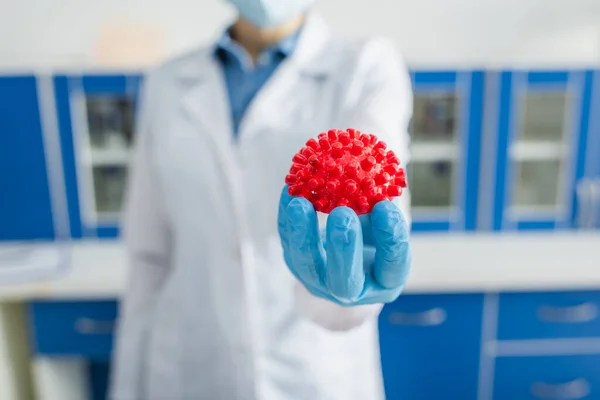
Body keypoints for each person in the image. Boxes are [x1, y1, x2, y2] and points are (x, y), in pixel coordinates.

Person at [109, 0, 413, 399]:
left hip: (313, 368)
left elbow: (370, 188)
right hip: (188, 365)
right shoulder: (167, 83)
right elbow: (149, 258)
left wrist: (343, 288)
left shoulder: (365, 67)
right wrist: (127, 389)